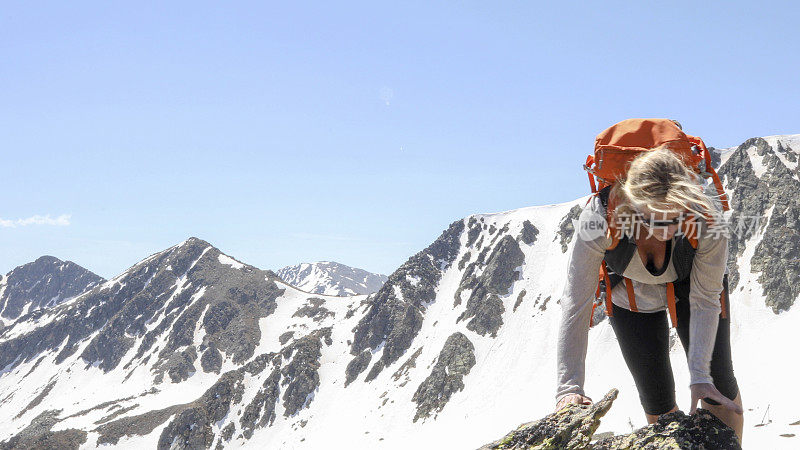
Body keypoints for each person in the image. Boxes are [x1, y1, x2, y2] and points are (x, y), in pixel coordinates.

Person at [554, 147, 744, 443]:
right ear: (631, 206)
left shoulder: (708, 221)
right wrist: (569, 389)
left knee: (718, 386)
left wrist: (701, 377)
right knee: (656, 399)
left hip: (691, 283)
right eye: (654, 221)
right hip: (629, 288)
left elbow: (706, 299)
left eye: (675, 219)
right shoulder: (599, 219)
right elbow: (576, 303)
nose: (666, 231)